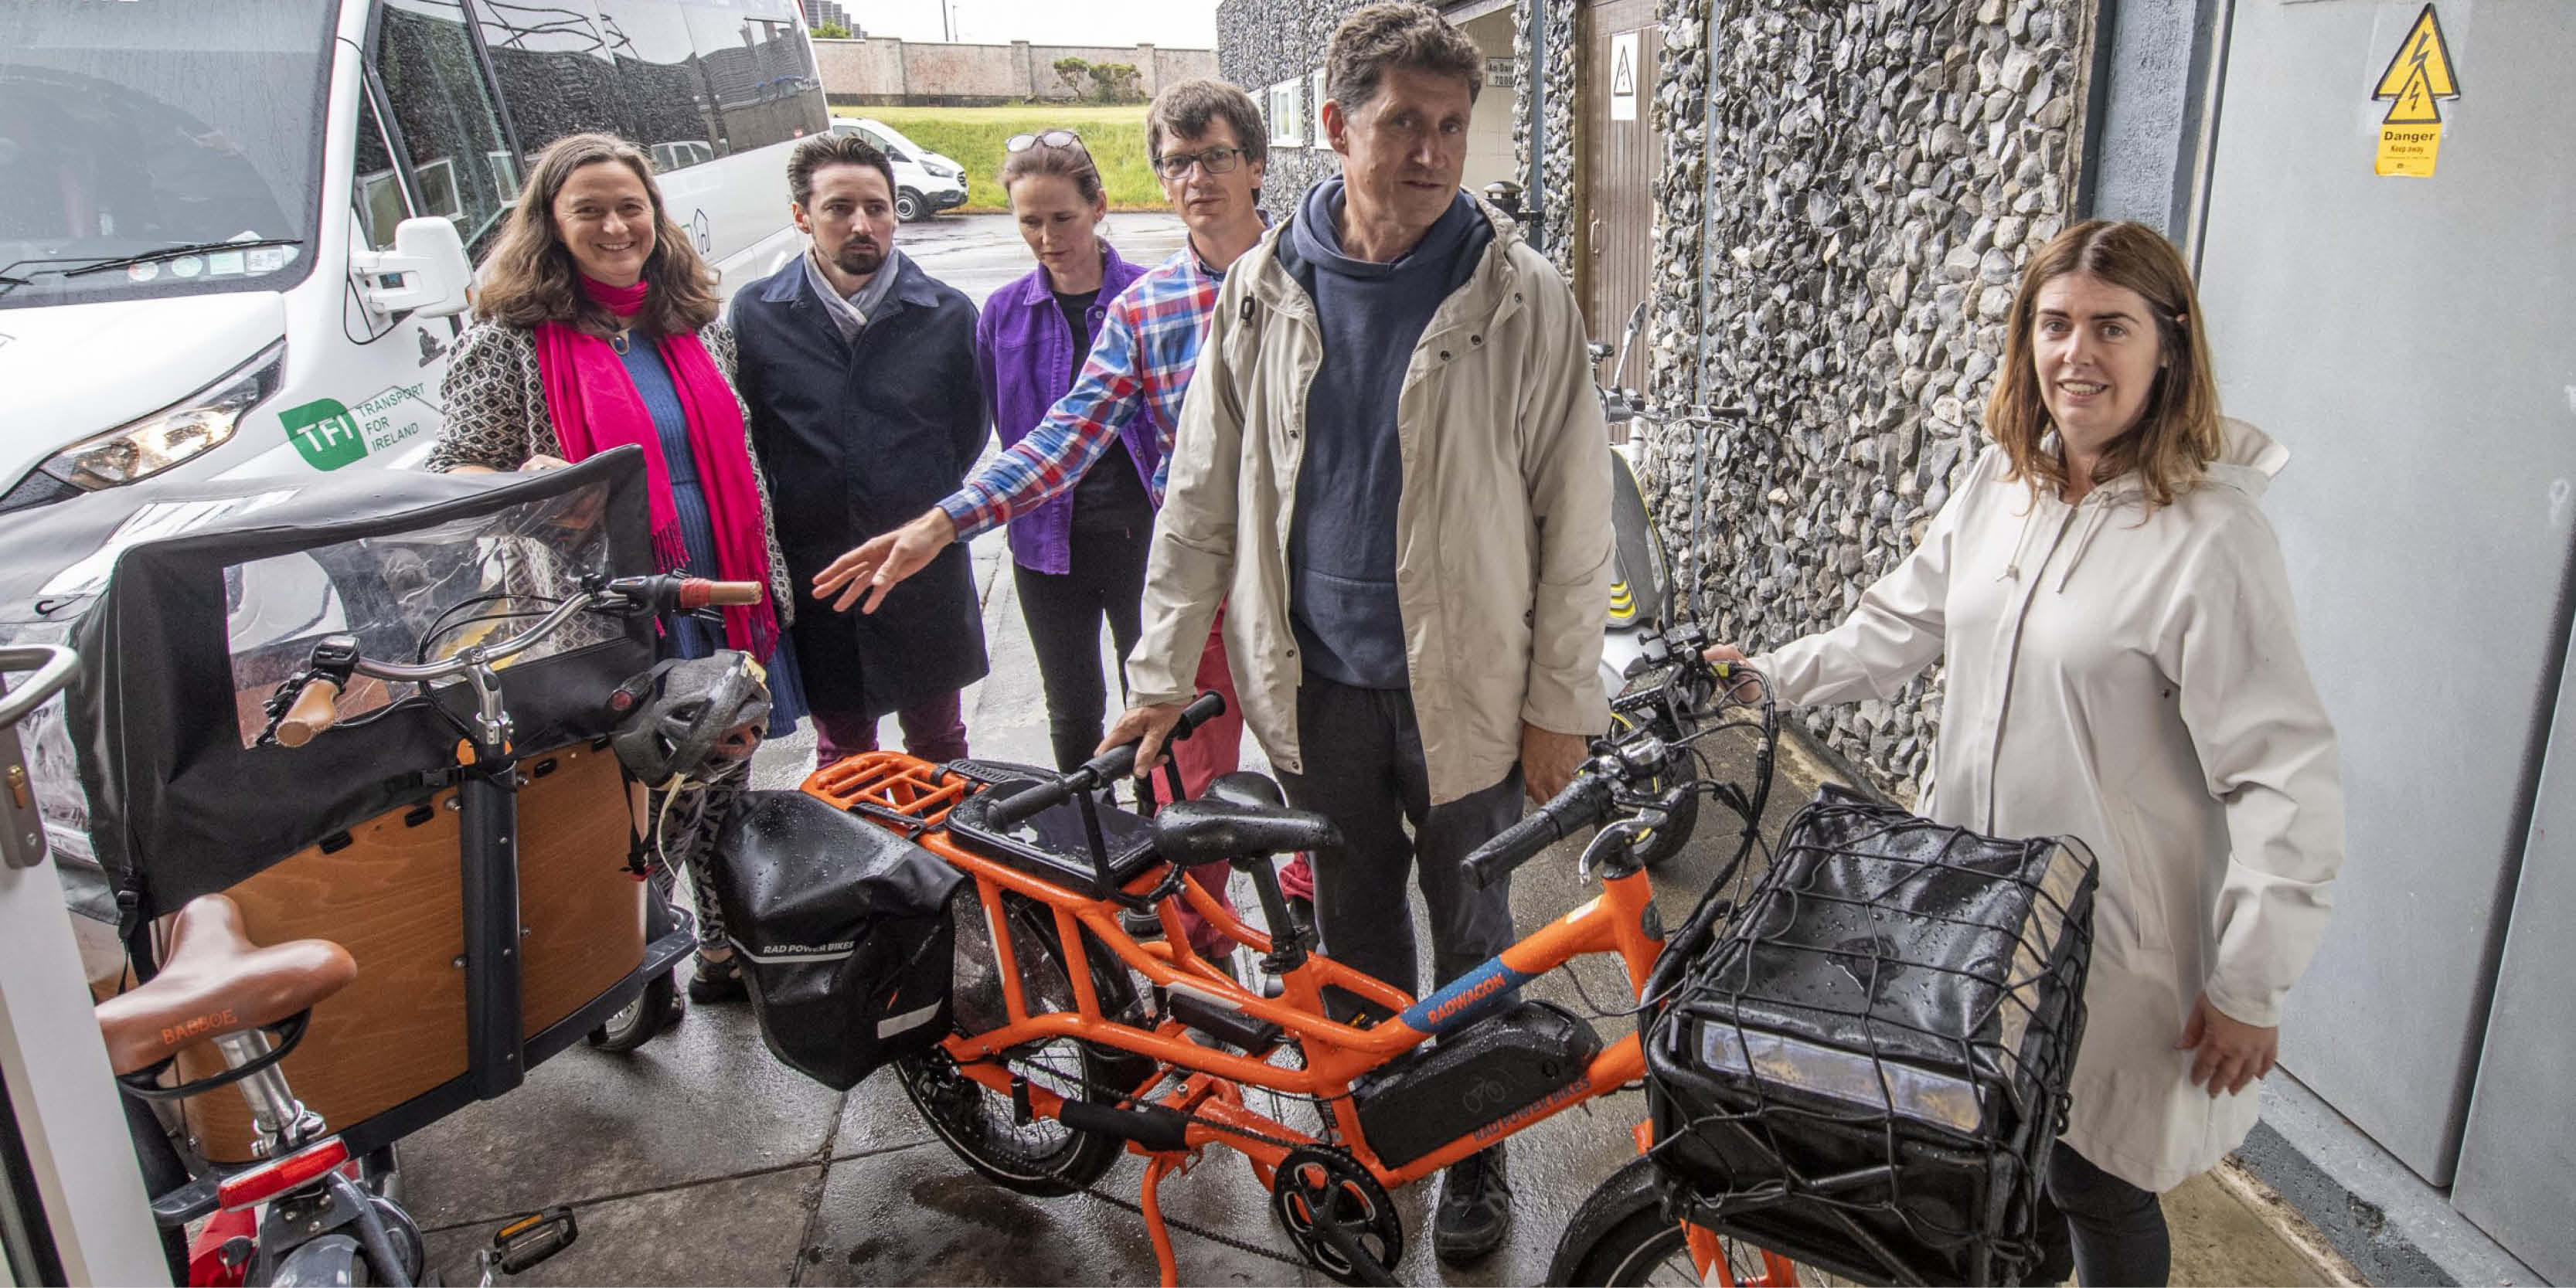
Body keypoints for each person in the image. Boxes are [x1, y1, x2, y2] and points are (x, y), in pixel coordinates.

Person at [1704, 219, 2345, 1286]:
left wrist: (2253, 978)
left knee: (2098, 1178)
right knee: (1999, 1158)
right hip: (1981, 913)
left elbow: (2283, 771)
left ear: (2169, 346)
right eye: (2054, 324)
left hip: (2112, 937)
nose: (2074, 353)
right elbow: (1898, 623)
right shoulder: (2002, 488)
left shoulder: (2210, 540)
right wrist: (1775, 676)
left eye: (2111, 327)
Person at [1104, 5, 1614, 1263]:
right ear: (1333, 127)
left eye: (1450, 126)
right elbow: (1203, 493)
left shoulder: (1516, 292)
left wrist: (1562, 702)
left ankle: (1475, 1157)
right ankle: (1382, 1139)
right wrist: (1162, 671)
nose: (1433, 152)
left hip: (1476, 691)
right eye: (1402, 124)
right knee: (1357, 937)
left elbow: (1578, 509)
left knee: (1478, 937)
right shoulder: (1262, 288)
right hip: (1317, 682)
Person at [810, 80, 1291, 957]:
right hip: (1209, 594)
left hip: (1315, 588)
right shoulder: (1144, 311)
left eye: (1215, 156)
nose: (1195, 178)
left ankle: (1329, 957)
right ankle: (1203, 957)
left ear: (1256, 165)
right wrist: (942, 522)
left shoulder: (1320, 273)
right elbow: (1060, 437)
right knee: (1193, 783)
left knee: (1321, 785)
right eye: (1176, 162)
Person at [420, 131, 800, 1003]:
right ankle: (628, 962)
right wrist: (525, 480)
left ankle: (722, 946)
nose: (616, 225)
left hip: (720, 584)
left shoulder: (691, 322)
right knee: (629, 798)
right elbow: (452, 470)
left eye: (631, 206)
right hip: (603, 607)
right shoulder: (510, 339)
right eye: (588, 209)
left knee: (722, 770)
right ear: (549, 223)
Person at [731, 134, 989, 768]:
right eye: (839, 207)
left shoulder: (947, 315)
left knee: (940, 743)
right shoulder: (758, 315)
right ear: (801, 216)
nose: (862, 224)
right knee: (842, 750)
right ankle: (862, 867)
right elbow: (756, 435)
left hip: (921, 560)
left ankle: (942, 868)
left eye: (878, 207)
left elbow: (968, 430)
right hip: (820, 568)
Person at [974, 131, 1156, 776]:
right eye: (1030, 221)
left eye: (1062, 218)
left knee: (1154, 700)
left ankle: (1157, 824)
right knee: (1073, 703)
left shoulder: (1148, 295)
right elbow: (1006, 427)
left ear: (1098, 206)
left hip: (1143, 538)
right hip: (1046, 544)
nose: (1047, 236)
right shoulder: (1002, 314)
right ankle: (1087, 835)